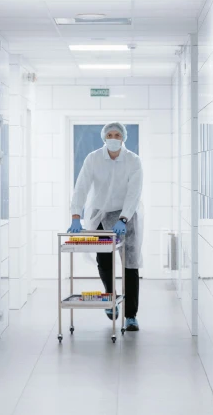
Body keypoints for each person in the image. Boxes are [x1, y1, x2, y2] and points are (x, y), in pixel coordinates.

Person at [67, 122, 144, 332]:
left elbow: (134, 192)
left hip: (125, 215)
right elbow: (81, 186)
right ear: (104, 137)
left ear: (123, 138)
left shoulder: (132, 160)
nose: (113, 137)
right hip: (100, 214)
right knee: (104, 261)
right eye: (109, 134)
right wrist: (76, 215)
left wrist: (124, 218)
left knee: (130, 264)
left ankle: (130, 315)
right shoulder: (93, 158)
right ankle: (111, 299)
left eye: (117, 134)